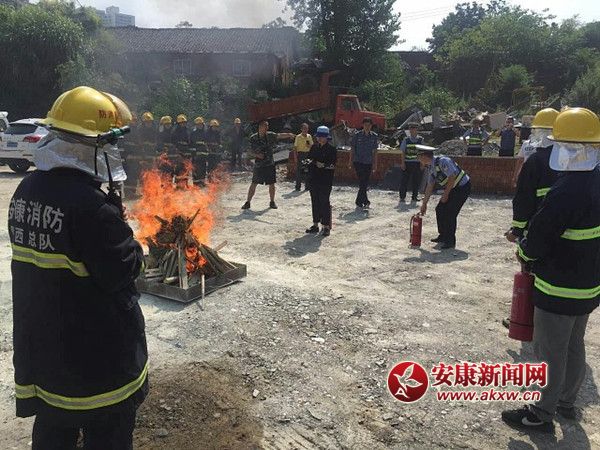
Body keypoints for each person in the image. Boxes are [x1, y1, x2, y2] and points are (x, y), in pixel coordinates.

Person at [9, 86, 148, 449]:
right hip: (96, 367)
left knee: (53, 434)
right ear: (92, 146)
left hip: (47, 357)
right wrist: (131, 239)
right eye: (109, 144)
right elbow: (122, 270)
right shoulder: (92, 207)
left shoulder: (26, 191)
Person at [502, 107, 600, 433]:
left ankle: (541, 413)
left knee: (549, 351)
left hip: (558, 287)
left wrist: (522, 248)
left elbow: (538, 240)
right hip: (588, 286)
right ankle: (567, 402)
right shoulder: (596, 181)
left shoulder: (567, 190)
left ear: (569, 149)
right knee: (574, 344)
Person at [506, 108, 560, 243]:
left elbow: (523, 198)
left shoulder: (535, 160)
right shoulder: (572, 160)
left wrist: (517, 230)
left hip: (538, 225)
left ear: (538, 132)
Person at [419, 147, 471, 249]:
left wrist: (445, 194)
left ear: (424, 156)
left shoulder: (443, 161)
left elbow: (452, 178)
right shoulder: (431, 167)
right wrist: (424, 204)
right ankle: (443, 235)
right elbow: (429, 186)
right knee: (440, 209)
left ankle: (450, 241)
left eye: (419, 157)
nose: (418, 159)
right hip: (452, 188)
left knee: (450, 213)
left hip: (462, 187)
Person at [242, 120, 294, 210]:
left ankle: (272, 202)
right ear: (260, 127)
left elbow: (279, 135)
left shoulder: (270, 135)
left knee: (271, 183)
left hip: (269, 163)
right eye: (265, 126)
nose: (266, 128)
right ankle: (248, 202)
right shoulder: (253, 138)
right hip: (259, 165)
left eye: (267, 126)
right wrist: (257, 155)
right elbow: (248, 151)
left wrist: (289, 135)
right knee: (254, 183)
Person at [305, 126, 337, 237]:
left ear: (326, 137)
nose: (319, 138)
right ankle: (315, 224)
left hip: (325, 180)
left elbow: (332, 164)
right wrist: (312, 163)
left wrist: (323, 165)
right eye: (318, 136)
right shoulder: (314, 147)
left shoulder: (332, 149)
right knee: (315, 201)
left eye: (322, 137)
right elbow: (309, 159)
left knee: (324, 202)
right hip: (314, 178)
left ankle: (326, 226)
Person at [350, 117, 379, 208]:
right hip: (358, 161)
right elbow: (352, 149)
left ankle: (364, 200)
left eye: (369, 125)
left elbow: (375, 151)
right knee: (362, 180)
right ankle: (360, 201)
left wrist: (375, 163)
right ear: (362, 125)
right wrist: (350, 161)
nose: (367, 127)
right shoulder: (357, 135)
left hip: (368, 162)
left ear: (371, 126)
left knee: (364, 182)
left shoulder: (374, 136)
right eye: (365, 125)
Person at [399, 122, 425, 203]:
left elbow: (423, 153)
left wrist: (422, 164)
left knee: (416, 181)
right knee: (404, 181)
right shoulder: (406, 140)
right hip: (407, 163)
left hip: (417, 164)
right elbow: (403, 152)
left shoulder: (421, 140)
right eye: (411, 128)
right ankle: (402, 197)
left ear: (417, 129)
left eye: (414, 128)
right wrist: (402, 163)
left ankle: (414, 197)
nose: (412, 130)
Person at [293, 123, 313, 191]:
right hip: (301, 154)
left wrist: (309, 145)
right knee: (299, 171)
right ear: (301, 129)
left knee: (307, 170)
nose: (305, 130)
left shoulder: (309, 136)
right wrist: (295, 157)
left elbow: (311, 146)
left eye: (306, 128)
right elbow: (295, 148)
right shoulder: (298, 137)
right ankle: (298, 187)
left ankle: (307, 186)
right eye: (304, 128)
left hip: (308, 154)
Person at [190, 116, 207, 184]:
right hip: (196, 155)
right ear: (196, 125)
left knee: (203, 168)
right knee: (195, 169)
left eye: (201, 124)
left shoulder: (205, 133)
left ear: (203, 124)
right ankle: (196, 183)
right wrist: (193, 154)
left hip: (203, 155)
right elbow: (191, 144)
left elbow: (206, 143)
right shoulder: (193, 133)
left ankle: (202, 182)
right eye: (198, 124)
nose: (200, 126)